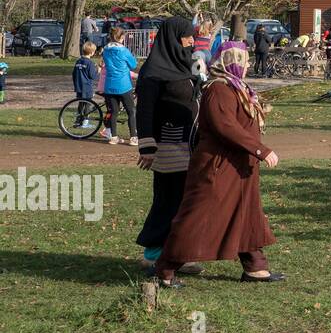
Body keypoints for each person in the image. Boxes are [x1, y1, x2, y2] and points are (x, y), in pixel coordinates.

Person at [153, 43, 283, 287]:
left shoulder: (236, 87)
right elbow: (225, 127)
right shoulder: (218, 89)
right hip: (218, 167)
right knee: (199, 218)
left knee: (246, 214)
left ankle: (255, 267)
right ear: (230, 62)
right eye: (243, 60)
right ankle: (165, 270)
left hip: (239, 168)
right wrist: (261, 150)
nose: (247, 65)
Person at [135, 16, 202, 275]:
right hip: (168, 149)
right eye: (187, 36)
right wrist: (147, 147)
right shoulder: (153, 73)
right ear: (173, 37)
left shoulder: (184, 65)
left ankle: (177, 255)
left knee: (185, 202)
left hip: (190, 147)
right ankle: (154, 253)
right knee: (168, 200)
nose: (191, 40)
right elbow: (145, 111)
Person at [100, 26, 139, 145]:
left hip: (110, 85)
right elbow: (133, 64)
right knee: (131, 111)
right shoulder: (124, 51)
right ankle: (133, 137)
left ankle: (114, 137)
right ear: (121, 37)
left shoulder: (105, 50)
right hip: (123, 84)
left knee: (113, 112)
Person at [72, 41, 99, 130]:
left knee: (81, 104)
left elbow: (73, 74)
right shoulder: (90, 63)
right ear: (91, 52)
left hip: (79, 87)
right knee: (88, 104)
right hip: (87, 87)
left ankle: (78, 121)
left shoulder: (78, 61)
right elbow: (93, 76)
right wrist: (98, 70)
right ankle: (85, 122)